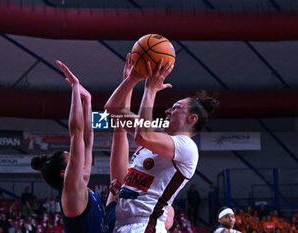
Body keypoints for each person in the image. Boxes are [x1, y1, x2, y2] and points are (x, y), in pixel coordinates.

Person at [105, 53, 218, 232]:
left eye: (175, 108)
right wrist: (131, 80)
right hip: (123, 225)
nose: (167, 111)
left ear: (192, 118)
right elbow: (113, 112)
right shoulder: (155, 137)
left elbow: (142, 135)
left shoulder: (187, 147)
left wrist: (150, 90)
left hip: (145, 226)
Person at [31, 61, 106, 233]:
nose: (76, 156)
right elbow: (76, 132)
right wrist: (75, 88)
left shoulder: (81, 185)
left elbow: (87, 140)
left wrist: (87, 101)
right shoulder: (71, 190)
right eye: (71, 157)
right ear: (65, 174)